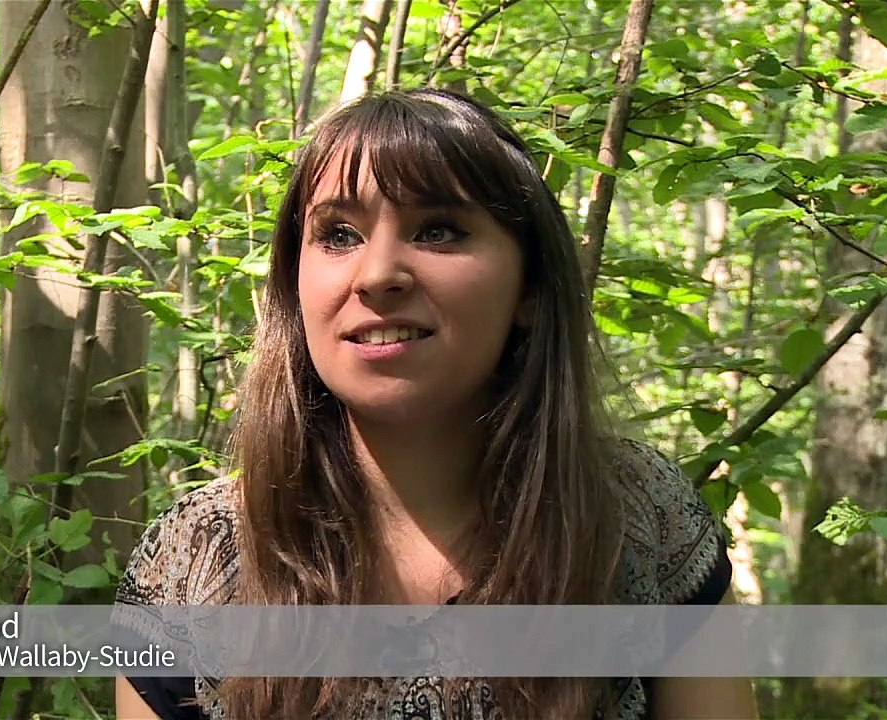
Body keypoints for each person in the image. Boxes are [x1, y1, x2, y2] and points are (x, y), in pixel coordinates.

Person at [114, 88, 759, 719]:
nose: (376, 274)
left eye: (440, 230)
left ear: (530, 287)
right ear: (293, 282)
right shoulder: (195, 558)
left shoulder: (638, 522)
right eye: (338, 235)